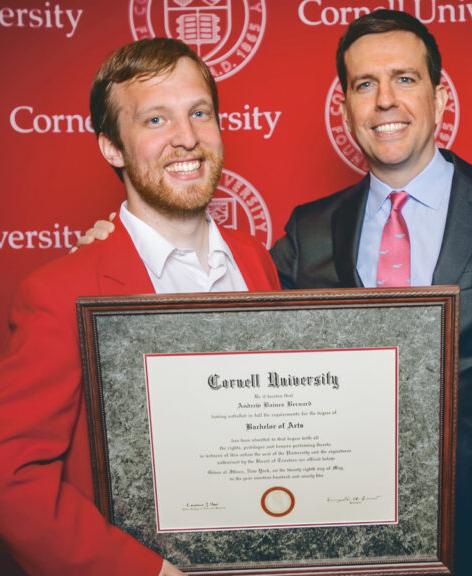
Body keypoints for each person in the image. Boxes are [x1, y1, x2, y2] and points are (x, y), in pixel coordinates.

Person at [270, 9, 472, 576]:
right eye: (366, 84)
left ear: (439, 96)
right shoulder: (309, 229)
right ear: (346, 108)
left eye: (405, 79)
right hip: (347, 533)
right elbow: (229, 318)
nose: (385, 100)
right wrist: (125, 235)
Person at [0, 38, 279, 576]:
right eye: (155, 120)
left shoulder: (255, 262)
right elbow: (10, 472)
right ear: (111, 147)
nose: (187, 138)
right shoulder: (61, 292)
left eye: (199, 112)